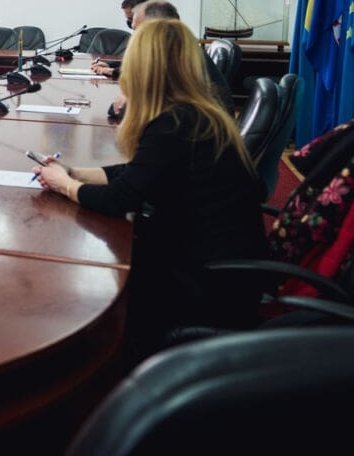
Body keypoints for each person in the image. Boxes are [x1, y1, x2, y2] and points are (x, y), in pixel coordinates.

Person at [34, 18, 267, 364]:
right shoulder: (194, 113)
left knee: (94, 278)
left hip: (210, 281)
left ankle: (109, 365)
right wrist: (74, 172)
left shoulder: (173, 123)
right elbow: (137, 173)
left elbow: (120, 199)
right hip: (223, 264)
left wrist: (64, 185)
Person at [98, 0, 235, 115]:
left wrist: (128, 97)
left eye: (137, 30)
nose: (134, 36)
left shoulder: (174, 59)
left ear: (156, 29)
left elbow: (124, 109)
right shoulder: (181, 49)